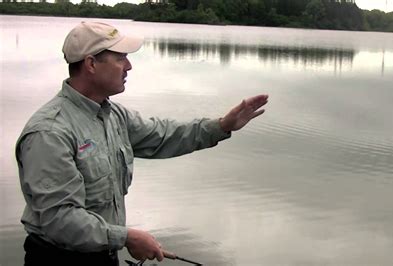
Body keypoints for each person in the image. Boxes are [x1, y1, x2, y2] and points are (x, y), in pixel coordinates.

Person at [15, 21, 268, 266]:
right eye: (120, 58)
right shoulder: (49, 133)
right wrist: (126, 237)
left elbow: (164, 135)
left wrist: (222, 125)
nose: (129, 66)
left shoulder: (114, 115)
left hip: (103, 256)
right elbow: (59, 219)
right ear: (91, 64)